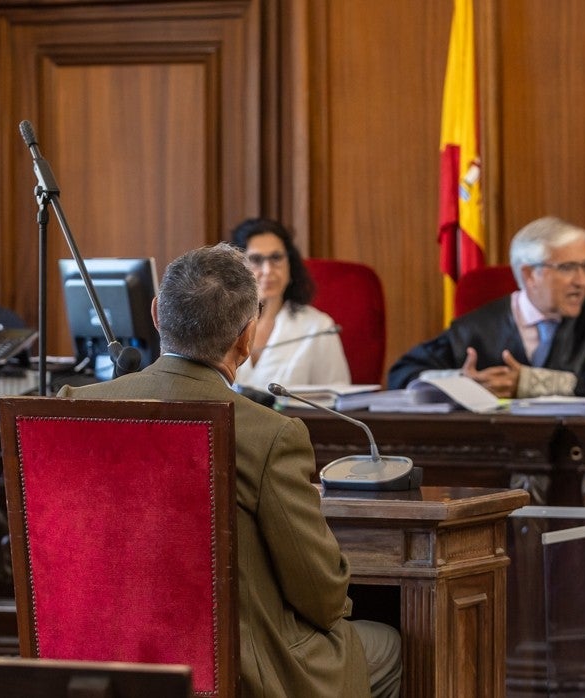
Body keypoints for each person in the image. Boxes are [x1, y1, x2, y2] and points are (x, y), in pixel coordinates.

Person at [59, 244, 400, 697]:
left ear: (158, 315)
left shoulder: (72, 408)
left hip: (98, 660)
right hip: (235, 672)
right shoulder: (268, 434)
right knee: (390, 645)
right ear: (246, 336)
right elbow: (321, 596)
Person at [388, 216, 585, 397]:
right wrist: (462, 384)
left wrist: (532, 384)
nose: (581, 281)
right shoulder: (477, 328)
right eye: (567, 268)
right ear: (529, 275)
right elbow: (402, 376)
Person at [229, 218, 351, 390]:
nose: (268, 270)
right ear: (238, 269)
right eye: (256, 259)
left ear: (290, 264)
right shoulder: (220, 324)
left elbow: (337, 401)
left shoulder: (319, 328)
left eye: (276, 258)